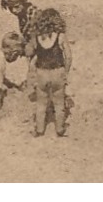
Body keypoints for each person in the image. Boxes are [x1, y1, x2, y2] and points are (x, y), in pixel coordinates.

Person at [29, 8, 71, 137]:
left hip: (42, 72)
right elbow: (68, 56)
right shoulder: (60, 36)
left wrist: (33, 75)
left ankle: (40, 130)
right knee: (59, 103)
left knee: (41, 103)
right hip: (57, 71)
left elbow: (34, 57)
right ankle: (60, 129)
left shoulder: (37, 37)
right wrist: (66, 71)